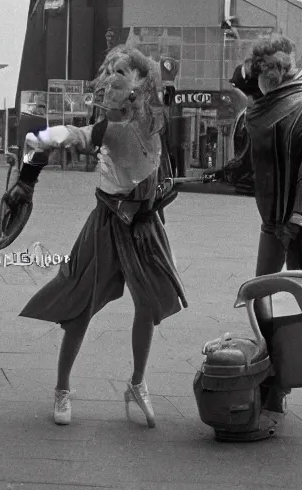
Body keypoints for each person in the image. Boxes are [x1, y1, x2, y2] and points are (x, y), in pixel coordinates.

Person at [15, 45, 186, 428]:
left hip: (145, 226)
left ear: (139, 87)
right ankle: (62, 387)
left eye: (120, 72)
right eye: (108, 72)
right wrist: (38, 148)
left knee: (150, 305)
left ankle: (137, 383)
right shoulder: (106, 129)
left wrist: (148, 74)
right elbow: (71, 134)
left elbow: (160, 92)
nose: (110, 78)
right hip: (108, 224)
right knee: (82, 303)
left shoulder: (153, 120)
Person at [226, 34, 302, 441]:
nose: (269, 75)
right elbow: (247, 169)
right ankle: (270, 373)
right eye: (262, 69)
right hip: (271, 223)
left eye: (274, 67)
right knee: (257, 295)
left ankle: (281, 386)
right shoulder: (257, 112)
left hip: (298, 228)